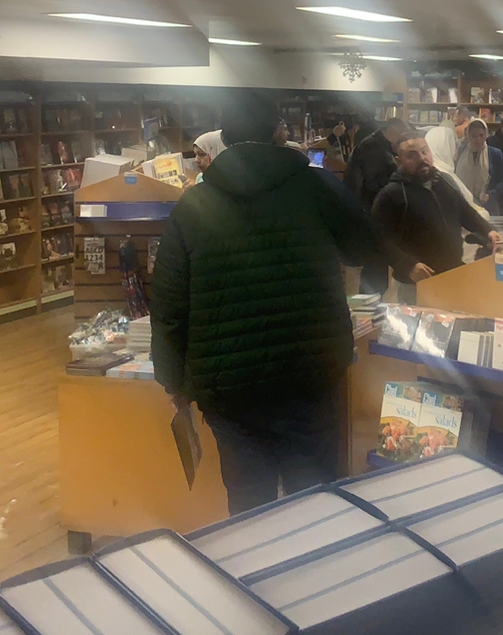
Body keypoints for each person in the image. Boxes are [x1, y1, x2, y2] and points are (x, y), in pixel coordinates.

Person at [150, 93, 427, 514]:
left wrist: (173, 380)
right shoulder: (314, 186)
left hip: (229, 384)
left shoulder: (194, 204)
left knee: (249, 503)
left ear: (224, 138)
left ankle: (257, 554)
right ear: (279, 132)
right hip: (309, 371)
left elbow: (169, 300)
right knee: (313, 499)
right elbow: (362, 245)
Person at [372, 131, 500, 295]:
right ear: (399, 161)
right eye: (412, 155)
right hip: (417, 283)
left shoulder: (442, 181)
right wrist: (407, 265)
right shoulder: (392, 194)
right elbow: (378, 238)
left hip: (452, 273)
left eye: (424, 151)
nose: (422, 158)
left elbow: (465, 211)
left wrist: (488, 230)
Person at [344, 116, 409, 209]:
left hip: (369, 201)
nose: (403, 142)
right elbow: (373, 184)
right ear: (393, 131)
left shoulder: (380, 145)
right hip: (365, 205)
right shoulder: (372, 147)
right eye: (401, 137)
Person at [454, 119, 503, 211]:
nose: (478, 140)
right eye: (474, 136)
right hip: (464, 204)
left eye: (481, 135)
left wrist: (490, 195)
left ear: (486, 135)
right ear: (468, 136)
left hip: (488, 206)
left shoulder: (494, 153)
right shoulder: (460, 152)